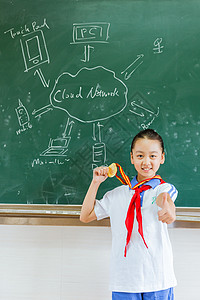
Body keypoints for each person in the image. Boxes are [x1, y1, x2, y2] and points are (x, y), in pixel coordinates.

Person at [80, 129, 177, 300]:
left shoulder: (162, 188)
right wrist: (95, 183)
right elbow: (85, 216)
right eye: (140, 156)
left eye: (153, 156)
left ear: (162, 157)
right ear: (132, 157)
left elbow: (165, 199)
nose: (146, 162)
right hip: (124, 279)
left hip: (158, 278)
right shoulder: (117, 194)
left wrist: (169, 209)